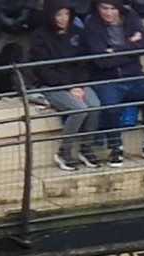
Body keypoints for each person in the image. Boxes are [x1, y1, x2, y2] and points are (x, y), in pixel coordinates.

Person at [83, 0, 144, 165]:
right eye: (104, 8)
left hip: (134, 76)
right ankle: (115, 148)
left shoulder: (131, 16)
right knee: (110, 107)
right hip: (106, 79)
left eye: (112, 8)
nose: (108, 12)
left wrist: (114, 50)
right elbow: (101, 61)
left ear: (119, 9)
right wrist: (131, 46)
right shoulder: (92, 23)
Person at [28, 0, 101, 169]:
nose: (63, 18)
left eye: (66, 14)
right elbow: (44, 70)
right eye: (58, 14)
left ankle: (86, 148)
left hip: (77, 83)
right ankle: (64, 152)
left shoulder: (77, 33)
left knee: (95, 105)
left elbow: (84, 63)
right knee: (79, 110)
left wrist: (79, 85)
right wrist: (68, 87)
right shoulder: (40, 36)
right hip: (52, 85)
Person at [0, 0, 36, 91]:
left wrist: (26, 12)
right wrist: (1, 17)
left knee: (43, 19)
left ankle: (42, 76)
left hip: (21, 8)